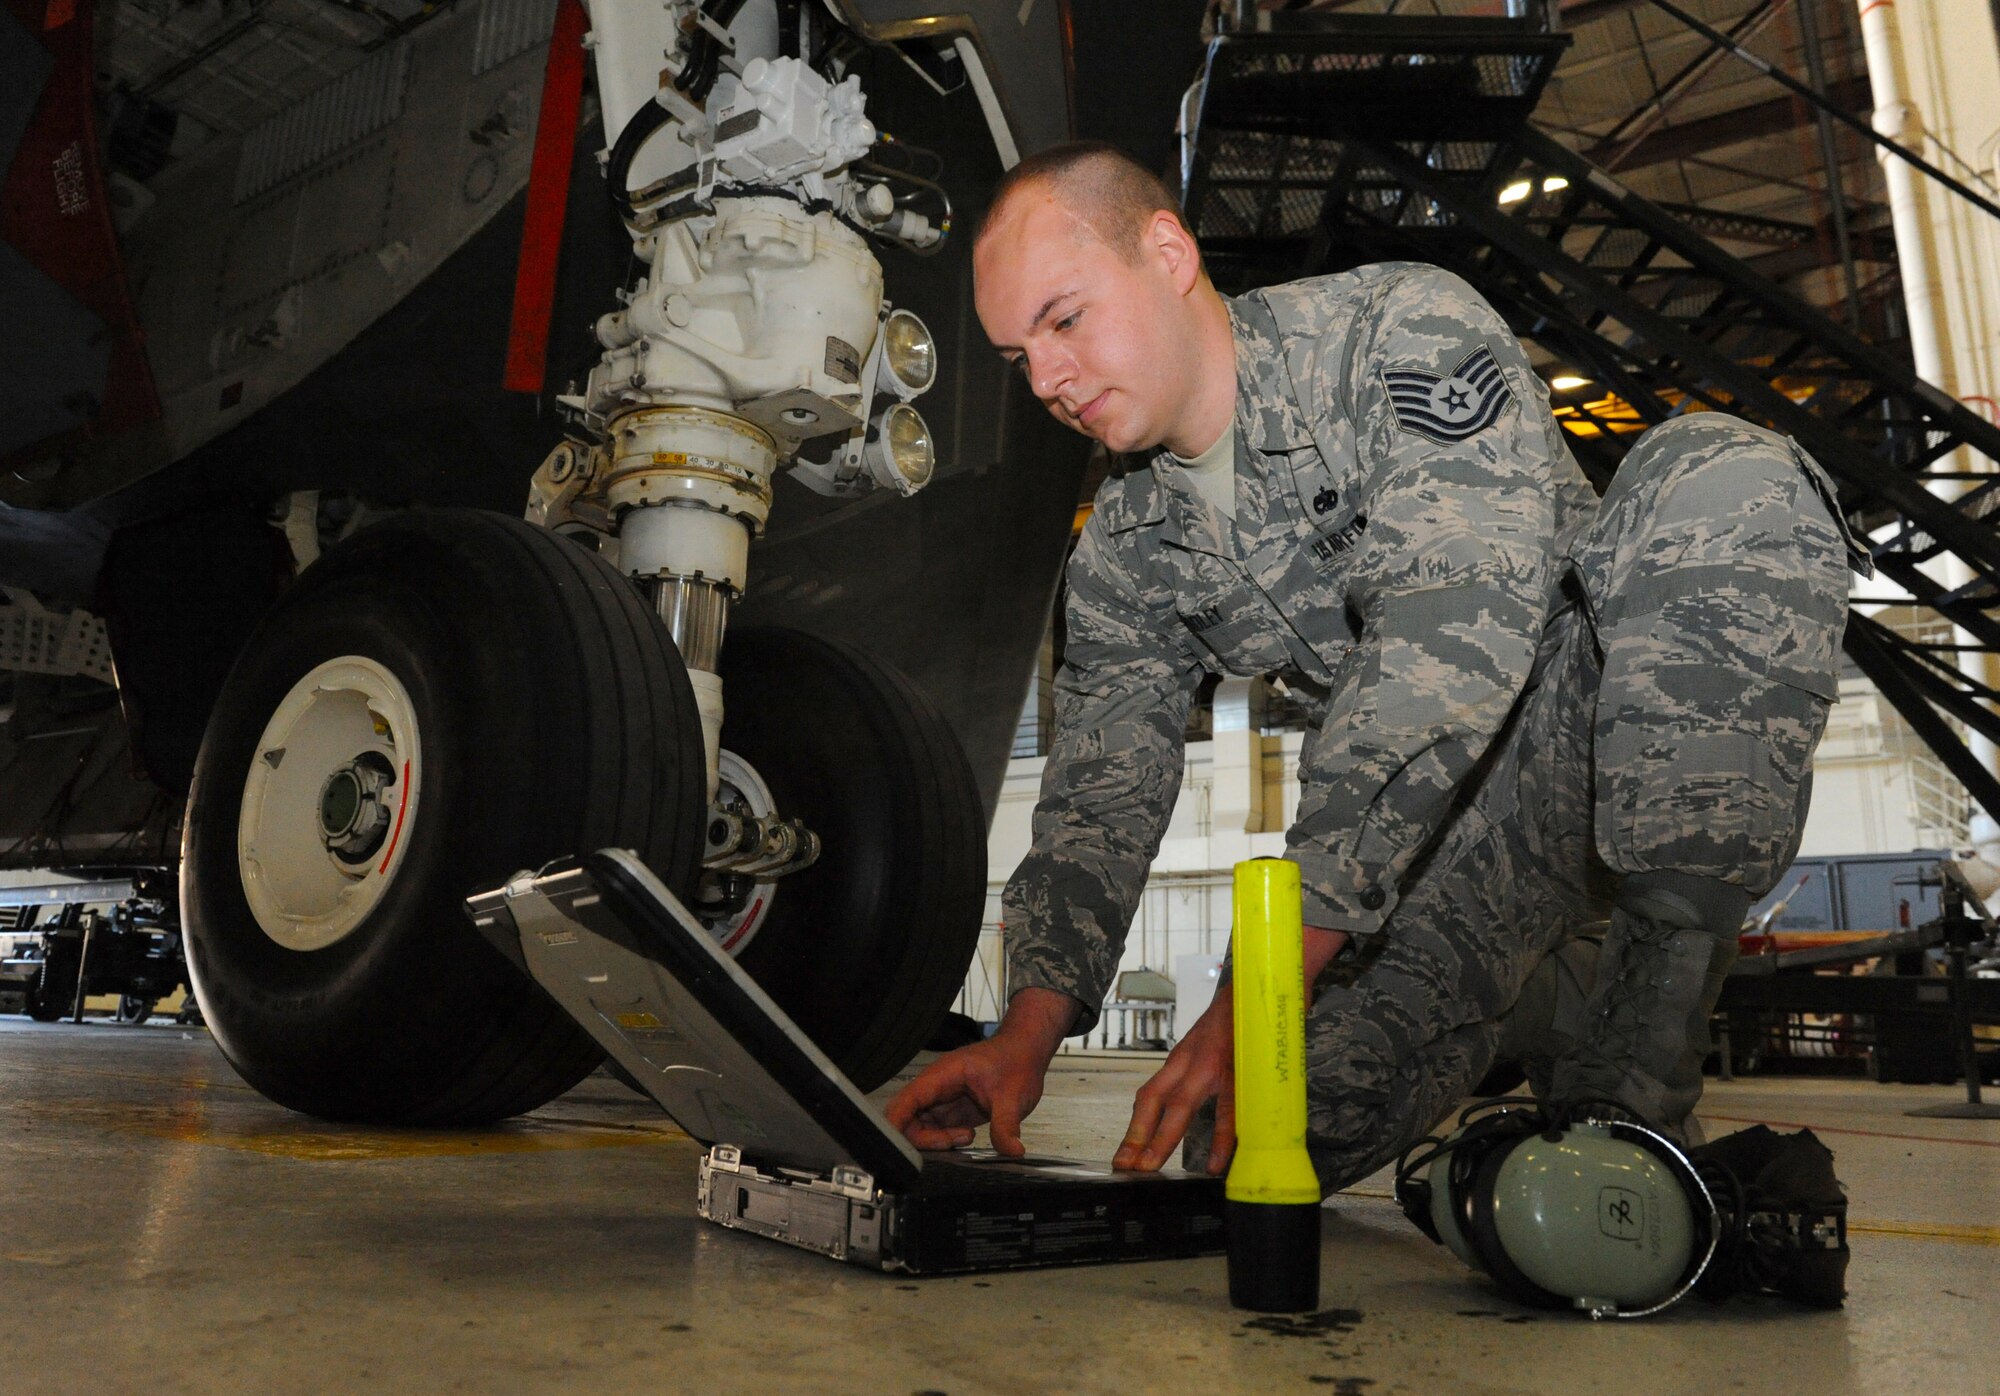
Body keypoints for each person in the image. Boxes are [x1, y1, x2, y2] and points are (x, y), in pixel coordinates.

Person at [884, 141, 1865, 1193]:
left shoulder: (1394, 333)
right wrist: (1024, 1033)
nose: (1046, 379)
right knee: (1260, 1138)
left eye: (1062, 320)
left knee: (1722, 480)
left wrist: (1254, 997)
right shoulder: (1124, 548)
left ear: (1164, 252)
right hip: (1439, 867)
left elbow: (1442, 649)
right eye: (1013, 356)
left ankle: (1635, 1076)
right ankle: (1545, 999)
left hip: (1582, 745)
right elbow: (1095, 802)